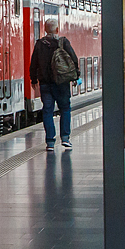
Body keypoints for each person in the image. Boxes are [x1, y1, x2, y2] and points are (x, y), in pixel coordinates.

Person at [29, 17, 81, 151]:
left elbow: (33, 63)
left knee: (47, 110)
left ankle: (50, 142)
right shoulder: (63, 42)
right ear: (57, 29)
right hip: (62, 83)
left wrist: (33, 79)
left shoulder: (40, 44)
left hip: (45, 84)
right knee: (65, 109)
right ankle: (65, 138)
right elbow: (73, 60)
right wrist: (76, 76)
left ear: (45, 29)